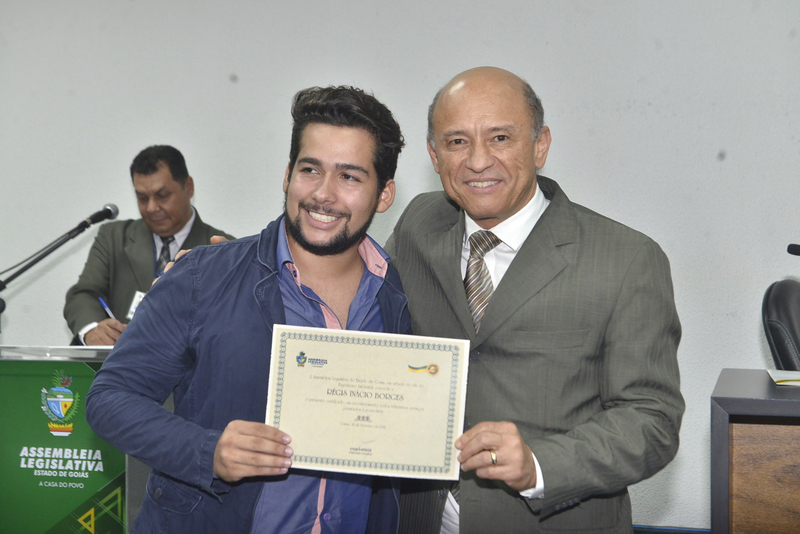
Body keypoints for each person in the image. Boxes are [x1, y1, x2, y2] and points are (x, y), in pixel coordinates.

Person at [85, 86, 410, 534]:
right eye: (310, 169)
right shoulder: (203, 276)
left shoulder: (394, 293)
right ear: (287, 175)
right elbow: (109, 399)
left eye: (350, 177)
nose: (323, 193)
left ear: (384, 194)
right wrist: (208, 450)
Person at [386, 67, 684, 533]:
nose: (478, 161)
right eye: (457, 141)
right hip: (421, 518)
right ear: (434, 154)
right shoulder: (419, 224)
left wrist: (539, 464)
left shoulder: (627, 259)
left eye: (500, 138)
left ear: (540, 145)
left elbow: (652, 421)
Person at [63, 145, 234, 346]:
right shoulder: (113, 237)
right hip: (123, 363)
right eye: (142, 198)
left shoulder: (223, 248)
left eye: (162, 195)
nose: (151, 208)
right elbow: (83, 294)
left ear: (188, 187)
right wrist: (92, 331)